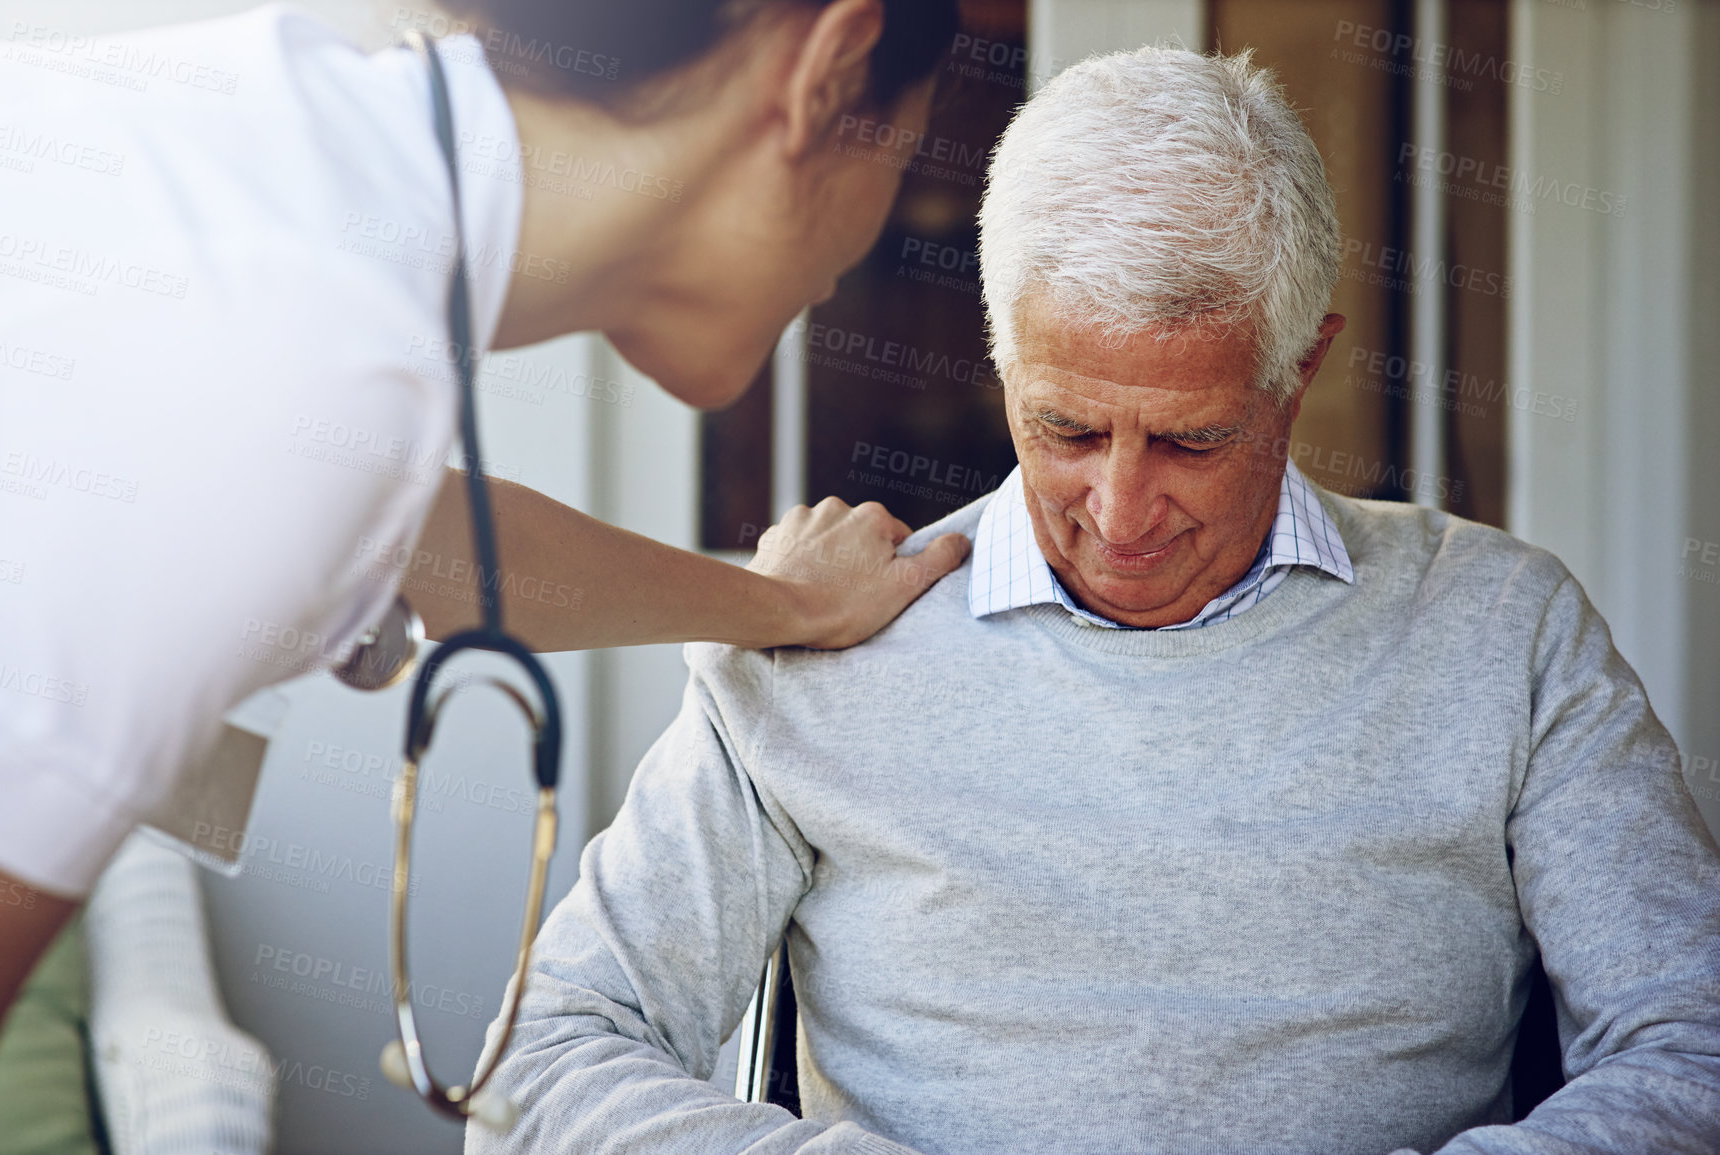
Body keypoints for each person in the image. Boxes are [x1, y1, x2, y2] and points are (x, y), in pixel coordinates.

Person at [463, 47, 1720, 1155]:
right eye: (1065, 428)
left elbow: (1693, 1048)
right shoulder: (817, 646)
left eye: (1189, 441)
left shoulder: (1506, 631)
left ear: (1303, 372)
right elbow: (539, 1070)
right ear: (1003, 357)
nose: (1119, 516)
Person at [0, 0, 969, 1043]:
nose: (867, 241)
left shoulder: (293, 154)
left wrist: (785, 606)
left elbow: (430, 544)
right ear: (828, 69)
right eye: (902, 153)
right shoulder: (295, 343)